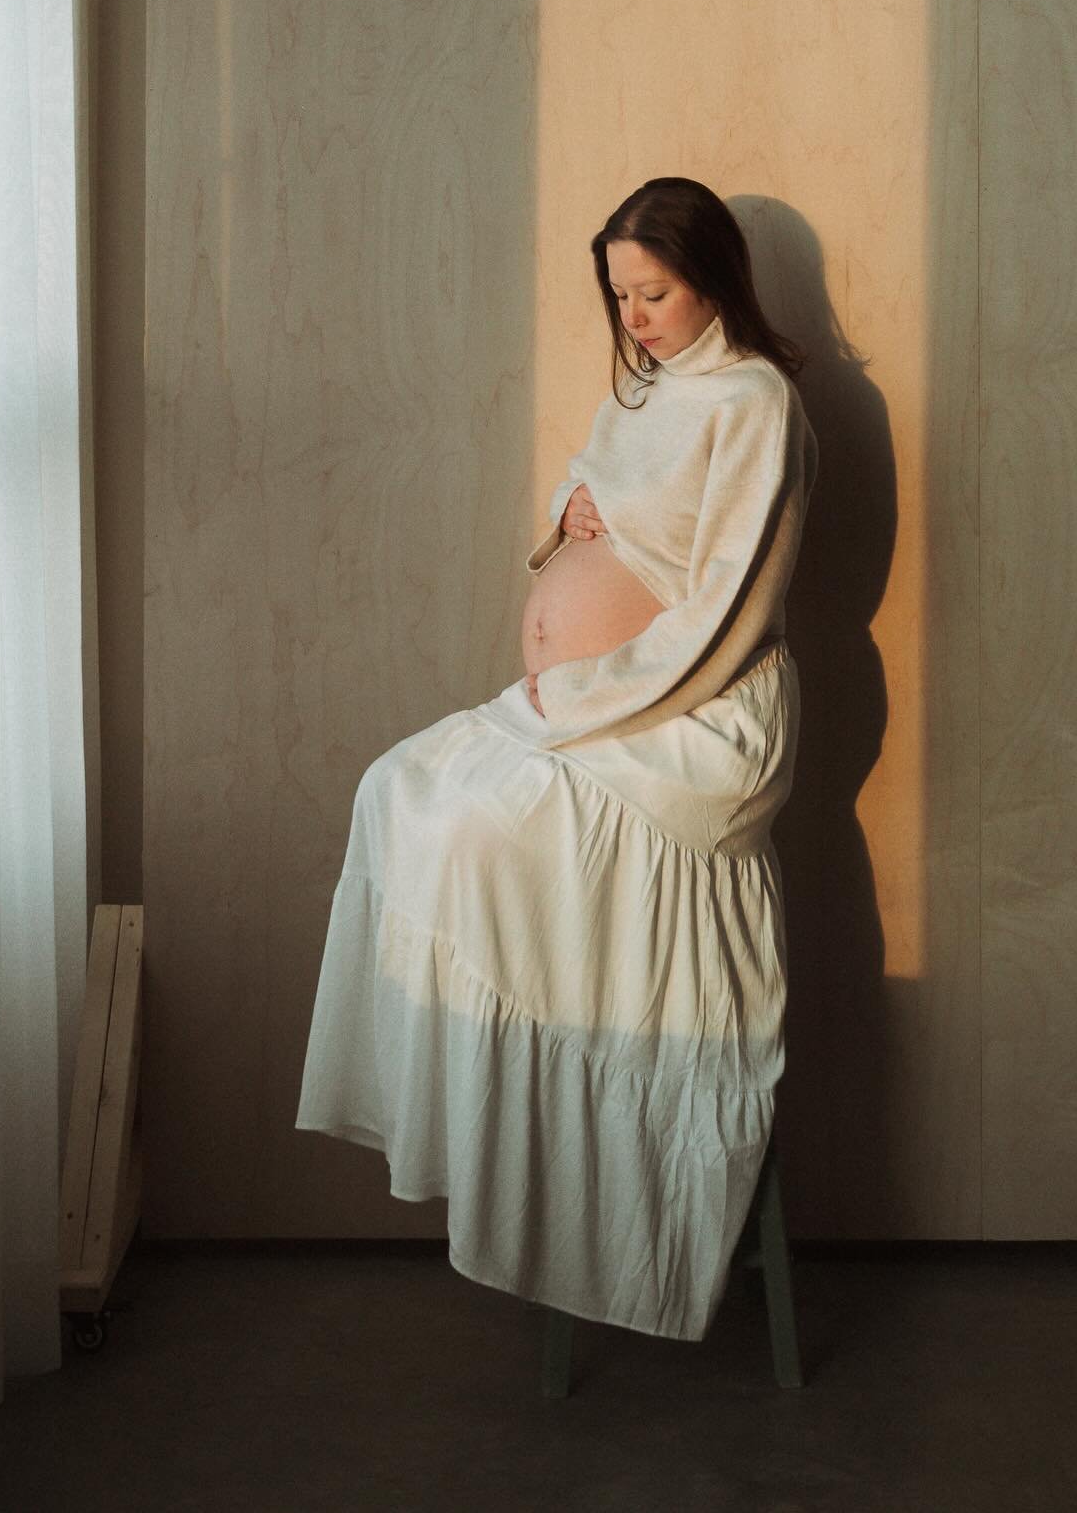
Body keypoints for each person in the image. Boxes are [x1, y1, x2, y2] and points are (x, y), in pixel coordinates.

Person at [295, 176, 819, 1343]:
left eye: (657, 292)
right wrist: (568, 522)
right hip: (589, 702)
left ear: (714, 279)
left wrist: (581, 687)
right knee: (397, 793)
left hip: (689, 717)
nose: (635, 317)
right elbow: (587, 497)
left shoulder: (757, 402)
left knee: (473, 829)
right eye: (620, 294)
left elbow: (731, 604)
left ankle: (578, 1128)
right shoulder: (644, 389)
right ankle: (487, 1134)